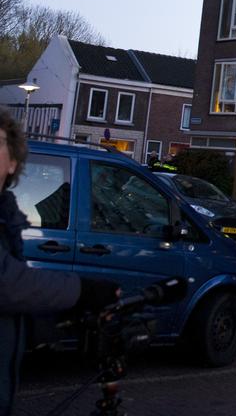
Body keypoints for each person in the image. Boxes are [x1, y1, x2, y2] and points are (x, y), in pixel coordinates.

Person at [0, 110, 120, 416]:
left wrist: (41, 324)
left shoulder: (6, 220)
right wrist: (82, 291)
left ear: (13, 162)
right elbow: (8, 284)